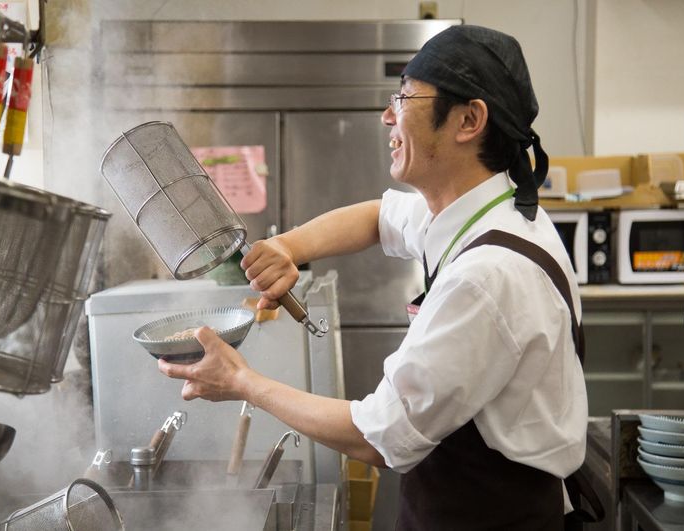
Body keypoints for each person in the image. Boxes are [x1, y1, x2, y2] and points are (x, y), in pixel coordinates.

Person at [158, 25, 589, 530]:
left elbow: (381, 435)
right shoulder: (484, 213)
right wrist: (287, 247)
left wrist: (241, 382)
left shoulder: (487, 275)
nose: (388, 115)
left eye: (405, 96)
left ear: (469, 120)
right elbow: (378, 218)